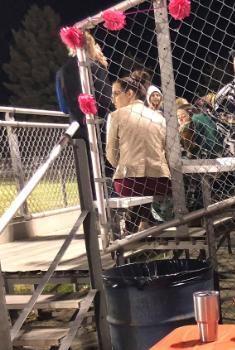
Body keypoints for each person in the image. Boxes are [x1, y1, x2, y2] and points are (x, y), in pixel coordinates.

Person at [105, 71, 170, 233]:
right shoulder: (159, 117)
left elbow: (111, 154)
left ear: (129, 93)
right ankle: (144, 222)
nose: (112, 99)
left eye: (116, 94)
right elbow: (166, 150)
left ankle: (131, 227)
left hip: (130, 182)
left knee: (119, 180)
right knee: (142, 189)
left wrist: (122, 164)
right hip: (160, 180)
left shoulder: (116, 116)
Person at [55, 31, 111, 130]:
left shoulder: (61, 72)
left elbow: (64, 108)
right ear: (91, 45)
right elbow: (106, 99)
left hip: (77, 127)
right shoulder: (96, 67)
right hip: (101, 125)